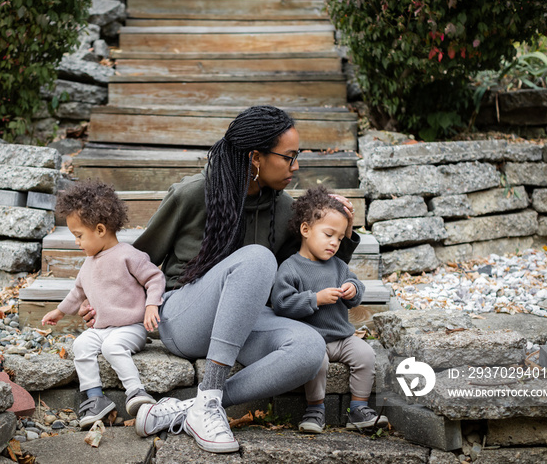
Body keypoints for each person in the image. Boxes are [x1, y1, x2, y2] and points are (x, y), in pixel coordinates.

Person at [79, 105, 360, 453]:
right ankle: (210, 398)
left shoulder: (285, 208)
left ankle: (195, 407)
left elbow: (306, 269)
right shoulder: (194, 193)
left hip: (244, 320)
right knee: (258, 258)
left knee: (310, 349)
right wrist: (104, 303)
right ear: (255, 157)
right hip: (185, 317)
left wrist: (337, 228)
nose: (296, 166)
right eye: (289, 157)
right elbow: (136, 259)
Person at [41, 180, 165, 429]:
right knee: (81, 344)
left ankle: (136, 391)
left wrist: (152, 305)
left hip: (131, 327)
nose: (76, 242)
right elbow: (77, 292)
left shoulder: (128, 255)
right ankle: (95, 397)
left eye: (79, 236)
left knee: (112, 346)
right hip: (102, 328)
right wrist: (59, 311)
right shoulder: (88, 263)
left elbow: (155, 278)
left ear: (99, 230)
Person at [270, 186, 388, 434]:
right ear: (305, 230)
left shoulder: (338, 266)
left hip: (342, 338)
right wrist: (316, 299)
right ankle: (315, 408)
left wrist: (353, 290)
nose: (334, 243)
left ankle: (358, 408)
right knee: (317, 362)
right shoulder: (290, 268)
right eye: (328, 235)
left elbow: (356, 284)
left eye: (339, 238)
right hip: (312, 339)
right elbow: (281, 303)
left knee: (366, 355)